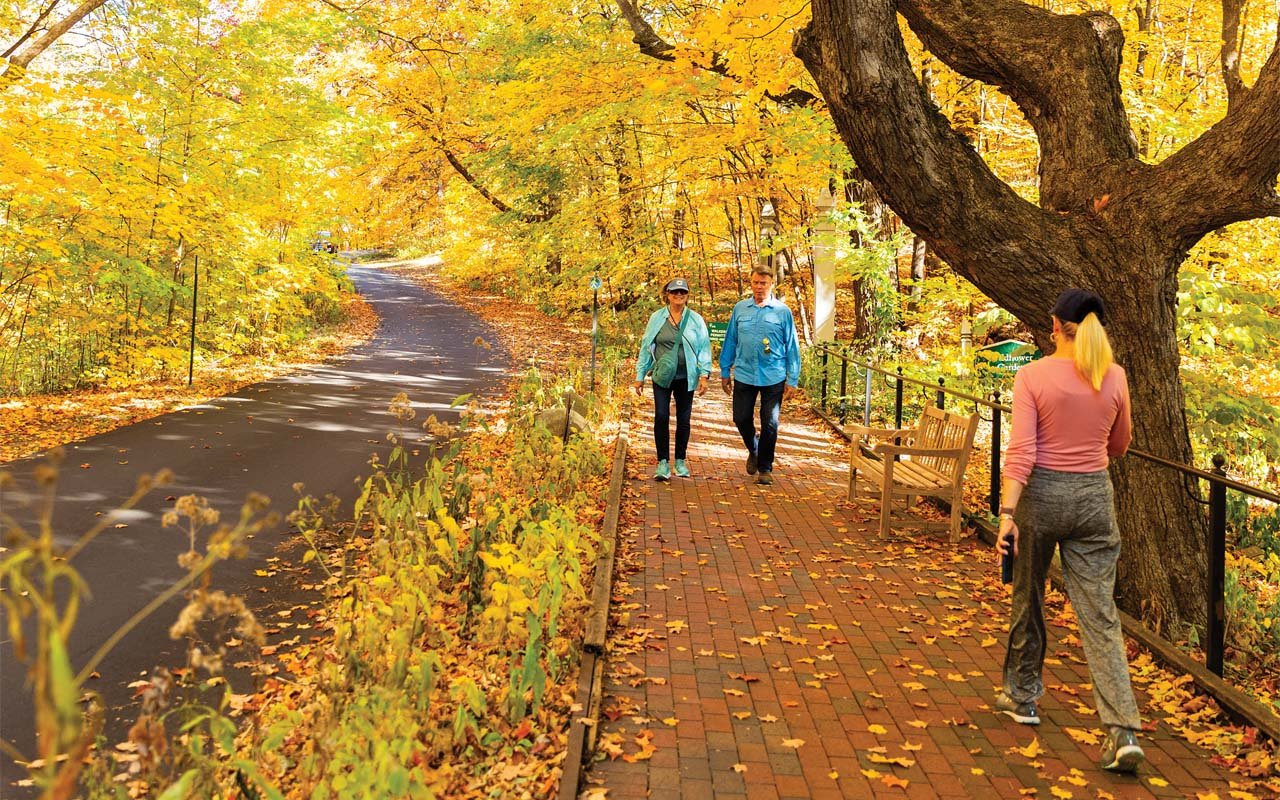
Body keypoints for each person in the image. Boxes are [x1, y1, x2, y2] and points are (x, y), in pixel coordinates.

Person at [994, 288, 1144, 773]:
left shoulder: (1032, 375)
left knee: (1029, 594)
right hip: (1095, 498)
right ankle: (1121, 729)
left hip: (1042, 495)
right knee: (1100, 615)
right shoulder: (1114, 376)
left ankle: (1023, 697)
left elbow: (1022, 453)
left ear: (1054, 325)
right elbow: (1120, 445)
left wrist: (1007, 514)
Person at [719, 265, 800, 486]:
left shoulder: (782, 312)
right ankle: (754, 449)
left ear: (771, 284)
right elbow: (731, 340)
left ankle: (765, 468)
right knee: (741, 418)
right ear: (751, 283)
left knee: (770, 422)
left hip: (773, 375)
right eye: (755, 283)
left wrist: (792, 378)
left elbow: (792, 345)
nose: (758, 287)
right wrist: (725, 371)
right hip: (744, 373)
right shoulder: (740, 309)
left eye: (763, 283)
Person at [634, 278, 713, 481]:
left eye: (683, 292)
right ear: (667, 294)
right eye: (675, 292)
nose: (679, 295)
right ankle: (662, 463)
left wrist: (704, 374)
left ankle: (679, 461)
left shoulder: (695, 319)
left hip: (686, 376)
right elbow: (645, 346)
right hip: (662, 376)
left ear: (687, 295)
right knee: (661, 415)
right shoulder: (657, 318)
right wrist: (639, 376)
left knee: (683, 419)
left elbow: (704, 347)